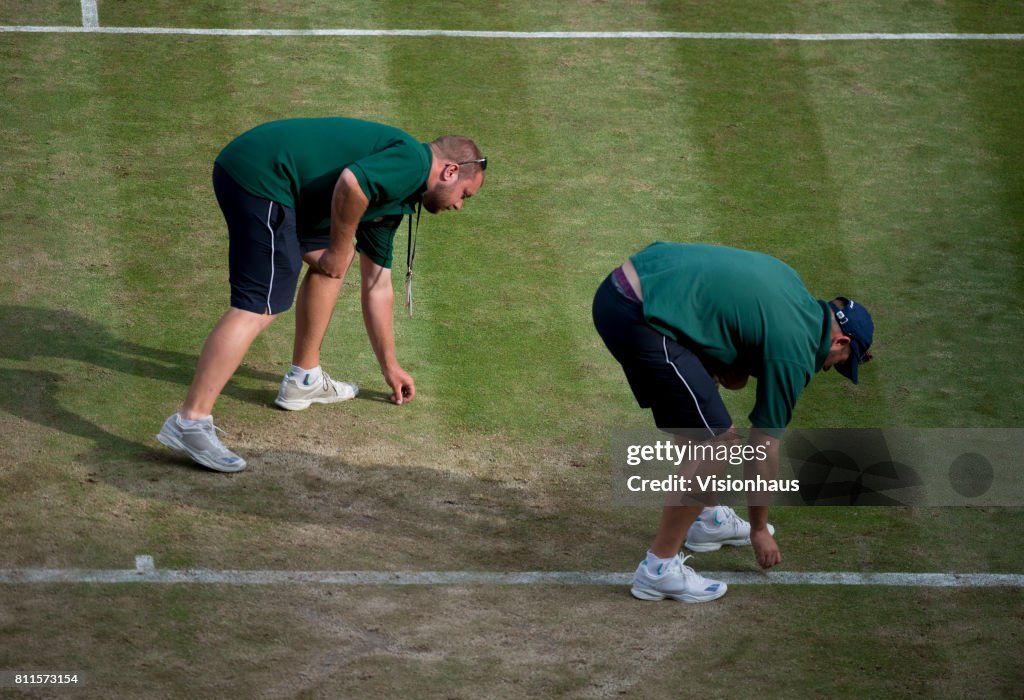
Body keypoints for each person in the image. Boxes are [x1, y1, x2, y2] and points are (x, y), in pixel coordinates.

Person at [157, 117, 487, 473]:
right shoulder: (412, 162)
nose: (458, 206)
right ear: (450, 171)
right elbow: (351, 184)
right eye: (464, 195)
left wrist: (389, 366)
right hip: (261, 175)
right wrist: (340, 247)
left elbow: (377, 285)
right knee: (259, 306)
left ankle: (304, 378)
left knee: (331, 266)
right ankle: (190, 422)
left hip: (289, 189)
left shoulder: (398, 199)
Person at [592, 242, 874, 603]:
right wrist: (759, 528)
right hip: (636, 314)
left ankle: (707, 520)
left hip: (631, 288)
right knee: (719, 441)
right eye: (840, 361)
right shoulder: (796, 351)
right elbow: (762, 447)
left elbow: (725, 333)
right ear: (840, 341)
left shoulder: (790, 288)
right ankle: (658, 570)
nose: (829, 367)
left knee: (700, 414)